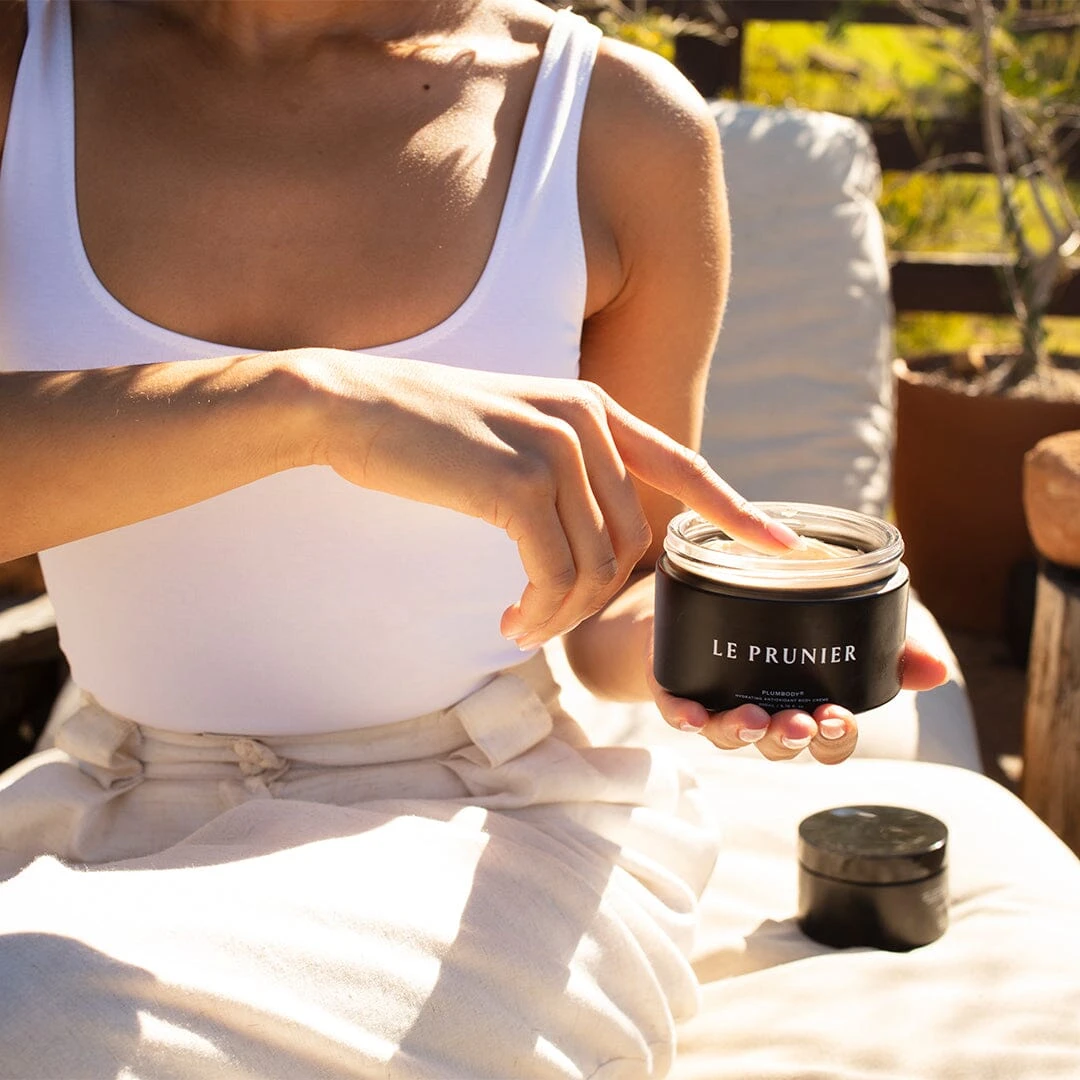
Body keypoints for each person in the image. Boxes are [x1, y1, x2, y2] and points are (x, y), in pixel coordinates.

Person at [0, 1, 948, 1076]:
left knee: (47, 1021)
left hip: (477, 821)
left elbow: (610, 599)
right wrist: (310, 408)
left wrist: (725, 646)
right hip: (96, 808)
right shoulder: (24, 68)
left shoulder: (610, 124)